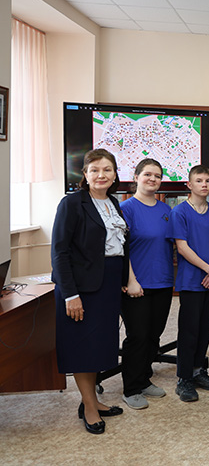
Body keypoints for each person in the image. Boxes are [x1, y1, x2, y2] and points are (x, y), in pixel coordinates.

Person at [51, 149, 127, 434]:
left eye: (107, 169)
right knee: (82, 347)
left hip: (107, 284)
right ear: (85, 174)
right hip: (81, 288)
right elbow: (59, 252)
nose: (101, 175)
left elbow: (119, 245)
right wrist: (70, 294)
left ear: (115, 174)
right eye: (94, 170)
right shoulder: (72, 203)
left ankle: (92, 400)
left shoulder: (114, 203)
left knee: (98, 345)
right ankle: (89, 407)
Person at [119, 159, 174, 410]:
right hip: (136, 284)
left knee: (154, 334)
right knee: (138, 335)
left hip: (163, 280)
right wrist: (130, 280)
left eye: (157, 176)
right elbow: (121, 248)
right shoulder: (126, 208)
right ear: (136, 177)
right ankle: (131, 388)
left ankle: (144, 378)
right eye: (148, 174)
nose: (153, 179)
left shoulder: (166, 210)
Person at [168, 165, 209, 402]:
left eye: (208, 180)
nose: (204, 184)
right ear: (189, 185)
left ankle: (199, 371)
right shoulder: (180, 212)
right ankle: (184, 378)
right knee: (189, 330)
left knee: (206, 327)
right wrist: (208, 269)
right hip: (192, 280)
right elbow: (182, 247)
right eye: (199, 180)